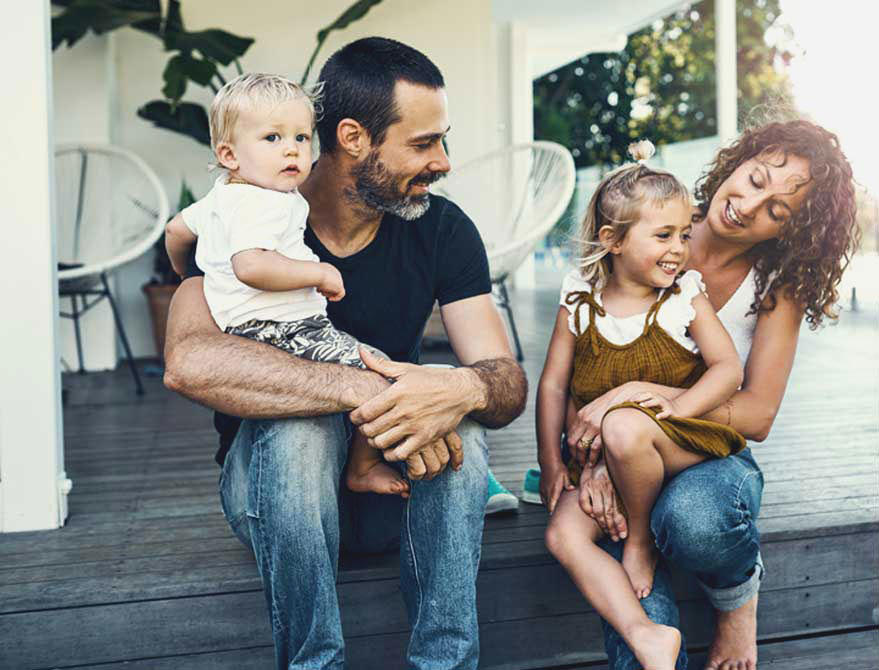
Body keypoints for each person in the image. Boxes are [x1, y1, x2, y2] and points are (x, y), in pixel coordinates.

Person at [163, 37, 528, 670]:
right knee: (301, 429)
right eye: (423, 143)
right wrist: (362, 388)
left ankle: (447, 664)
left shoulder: (441, 229)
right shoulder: (247, 213)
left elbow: (504, 379)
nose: (443, 163)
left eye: (443, 140)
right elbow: (189, 361)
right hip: (276, 501)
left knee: (455, 413)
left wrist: (459, 390)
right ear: (355, 137)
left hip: (393, 493)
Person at [562, 119, 858, 670]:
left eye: (776, 210)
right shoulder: (650, 225)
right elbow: (581, 362)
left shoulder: (775, 284)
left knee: (694, 517)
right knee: (608, 522)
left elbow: (757, 413)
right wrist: (598, 456)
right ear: (737, 161)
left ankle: (737, 596)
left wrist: (637, 403)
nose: (748, 205)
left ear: (789, 232)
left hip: (710, 451)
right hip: (621, 448)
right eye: (754, 178)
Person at [538, 141, 746, 670]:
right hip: (607, 450)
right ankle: (647, 633)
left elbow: (728, 369)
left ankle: (639, 543)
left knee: (627, 427)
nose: (679, 248)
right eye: (663, 235)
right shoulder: (579, 296)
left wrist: (676, 412)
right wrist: (553, 463)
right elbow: (554, 386)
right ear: (612, 241)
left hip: (682, 441)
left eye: (683, 233)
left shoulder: (684, 297)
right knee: (563, 535)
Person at [165, 72, 412, 498]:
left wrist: (184, 272)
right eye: (273, 138)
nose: (292, 149)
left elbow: (174, 231)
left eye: (301, 137)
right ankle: (363, 466)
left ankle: (357, 463)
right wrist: (319, 273)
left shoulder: (222, 195)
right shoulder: (265, 203)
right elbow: (251, 266)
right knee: (381, 371)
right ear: (229, 153)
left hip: (246, 332)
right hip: (284, 329)